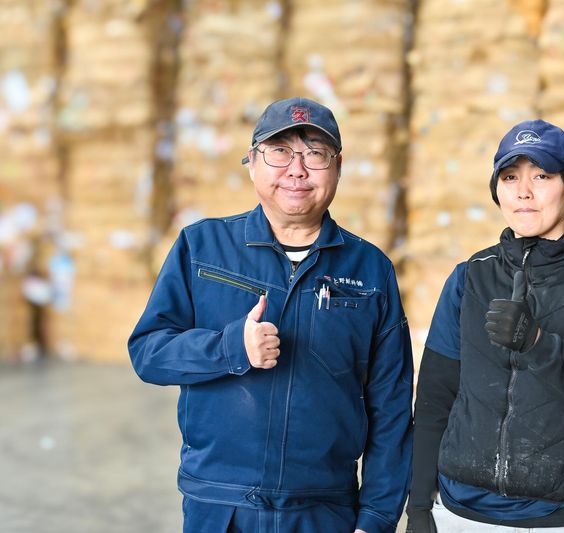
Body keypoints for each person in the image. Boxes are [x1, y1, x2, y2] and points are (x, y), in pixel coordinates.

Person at [129, 97, 413, 533]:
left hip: (325, 509)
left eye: (315, 154)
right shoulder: (202, 248)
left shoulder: (370, 269)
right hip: (221, 506)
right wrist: (230, 348)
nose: (296, 170)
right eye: (279, 152)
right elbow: (148, 353)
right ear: (252, 163)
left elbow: (391, 404)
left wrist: (376, 518)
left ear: (338, 167)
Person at [405, 120, 564, 532]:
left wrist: (536, 343)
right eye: (510, 177)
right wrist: (420, 506)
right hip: (460, 512)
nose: (523, 191)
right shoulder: (470, 276)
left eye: (542, 176)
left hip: (561, 518)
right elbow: (435, 399)